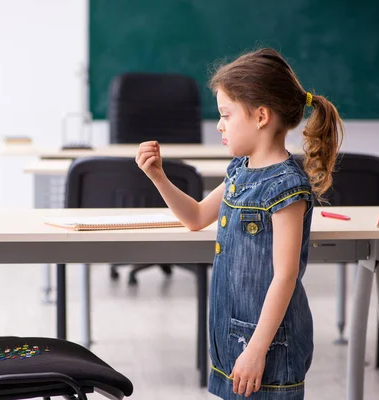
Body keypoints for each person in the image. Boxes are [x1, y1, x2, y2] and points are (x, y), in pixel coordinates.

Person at [135, 48, 344, 399]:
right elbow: (196, 218)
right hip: (232, 336)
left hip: (268, 347)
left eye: (226, 114)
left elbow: (285, 275)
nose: (219, 124)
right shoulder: (240, 171)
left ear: (261, 116)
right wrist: (158, 177)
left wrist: (256, 351)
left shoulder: (286, 187)